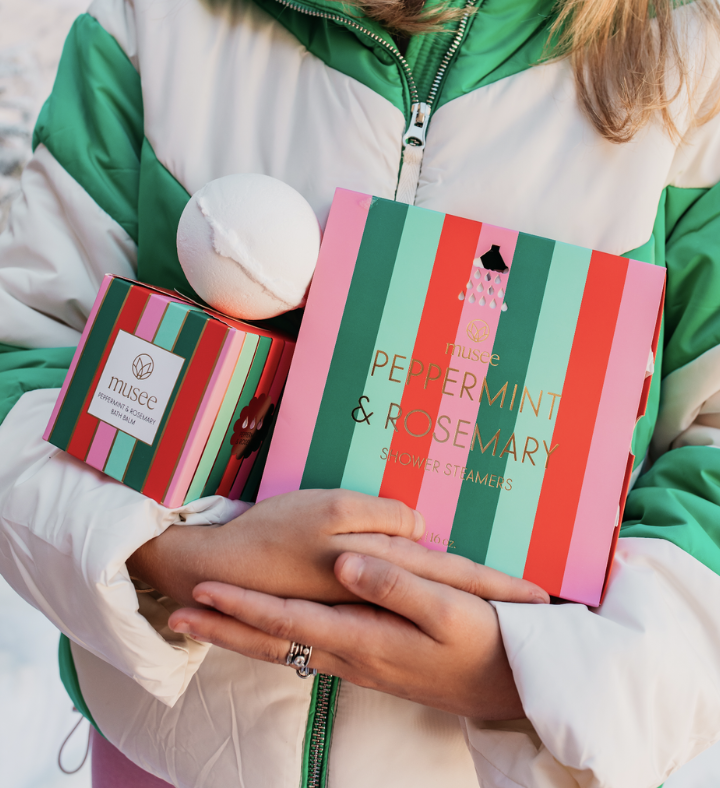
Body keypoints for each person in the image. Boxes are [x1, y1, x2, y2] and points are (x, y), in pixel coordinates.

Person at [1, 0, 720, 785]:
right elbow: (26, 361)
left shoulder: (696, 79)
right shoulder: (156, 23)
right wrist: (169, 556)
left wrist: (527, 676)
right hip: (168, 758)